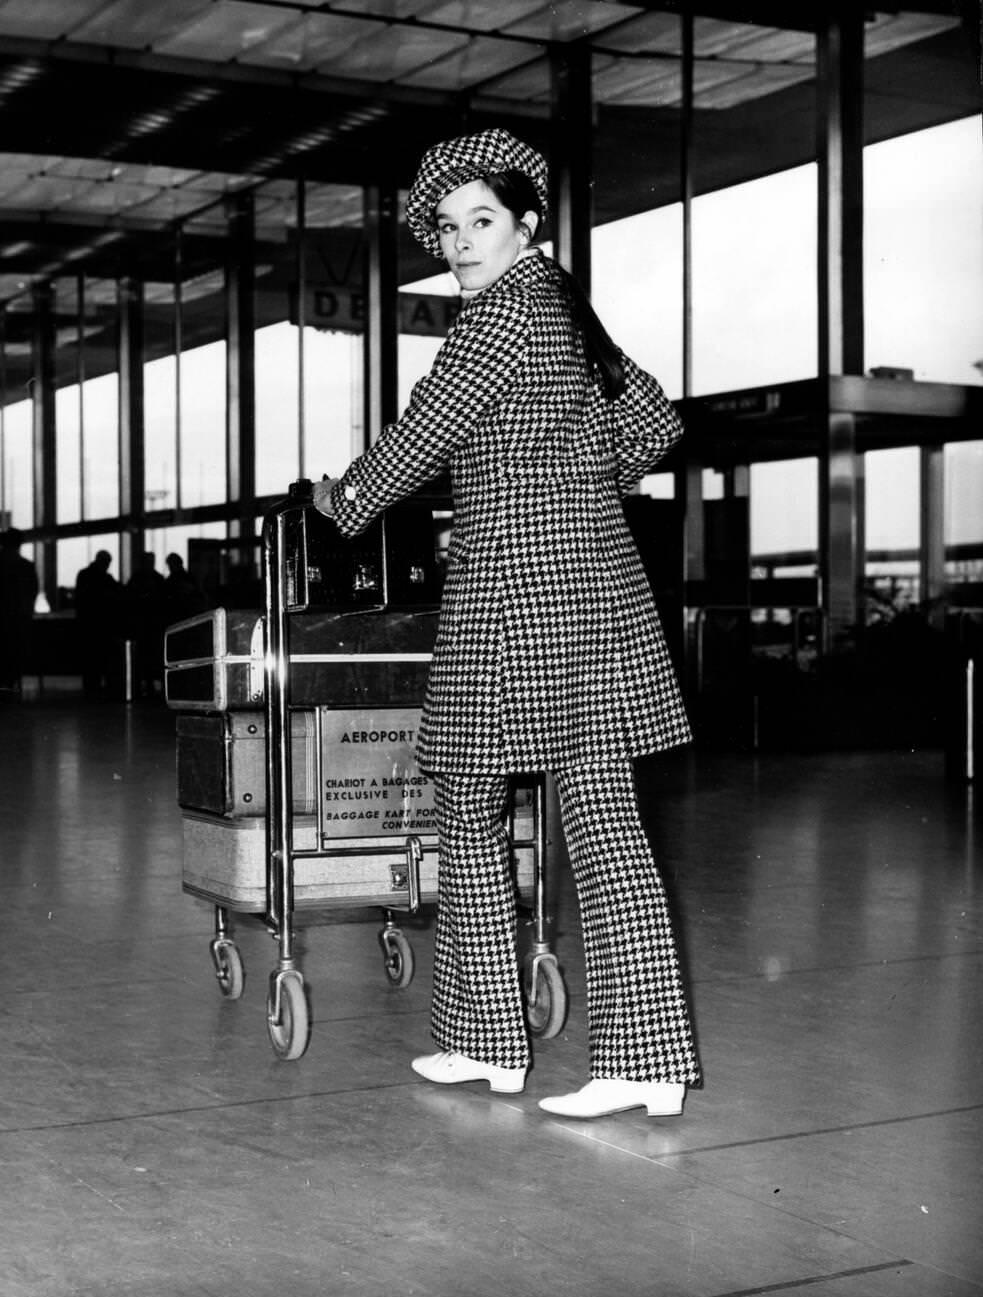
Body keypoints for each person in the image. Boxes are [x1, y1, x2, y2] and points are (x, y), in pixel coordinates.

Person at [314, 128, 701, 1119]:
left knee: (510, 805)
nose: (458, 242)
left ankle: (584, 1054)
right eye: (446, 227)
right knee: (554, 805)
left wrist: (341, 499)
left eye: (479, 220)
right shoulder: (563, 308)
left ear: (524, 225)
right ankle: (516, 1045)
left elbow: (425, 432)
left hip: (516, 596)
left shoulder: (498, 317)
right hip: (586, 588)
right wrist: (575, 484)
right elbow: (653, 420)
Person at [75, 550, 122, 698]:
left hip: (88, 625)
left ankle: (91, 688)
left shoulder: (84, 575)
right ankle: (100, 688)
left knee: (90, 660)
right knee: (102, 658)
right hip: (102, 625)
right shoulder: (106, 578)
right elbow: (118, 593)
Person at [0, 528, 39, 695]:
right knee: (14, 655)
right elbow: (32, 592)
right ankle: (9, 686)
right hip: (18, 619)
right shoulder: (26, 567)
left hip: (7, 619)